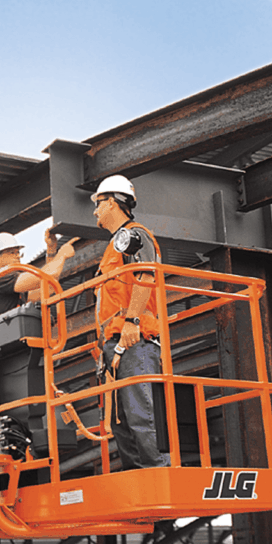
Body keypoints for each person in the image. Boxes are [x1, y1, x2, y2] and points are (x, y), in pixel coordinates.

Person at [91, 175, 170, 470]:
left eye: (99, 204)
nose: (95, 211)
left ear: (112, 202)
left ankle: (159, 476)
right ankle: (140, 482)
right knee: (121, 421)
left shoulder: (135, 235)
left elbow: (145, 274)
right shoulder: (113, 246)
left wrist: (132, 321)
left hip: (135, 341)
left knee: (143, 415)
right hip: (117, 345)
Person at [0, 228, 76, 317]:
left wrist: (51, 250)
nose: (18, 256)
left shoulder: (12, 289)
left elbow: (48, 287)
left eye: (18, 252)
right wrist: (61, 254)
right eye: (12, 253)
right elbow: (47, 275)